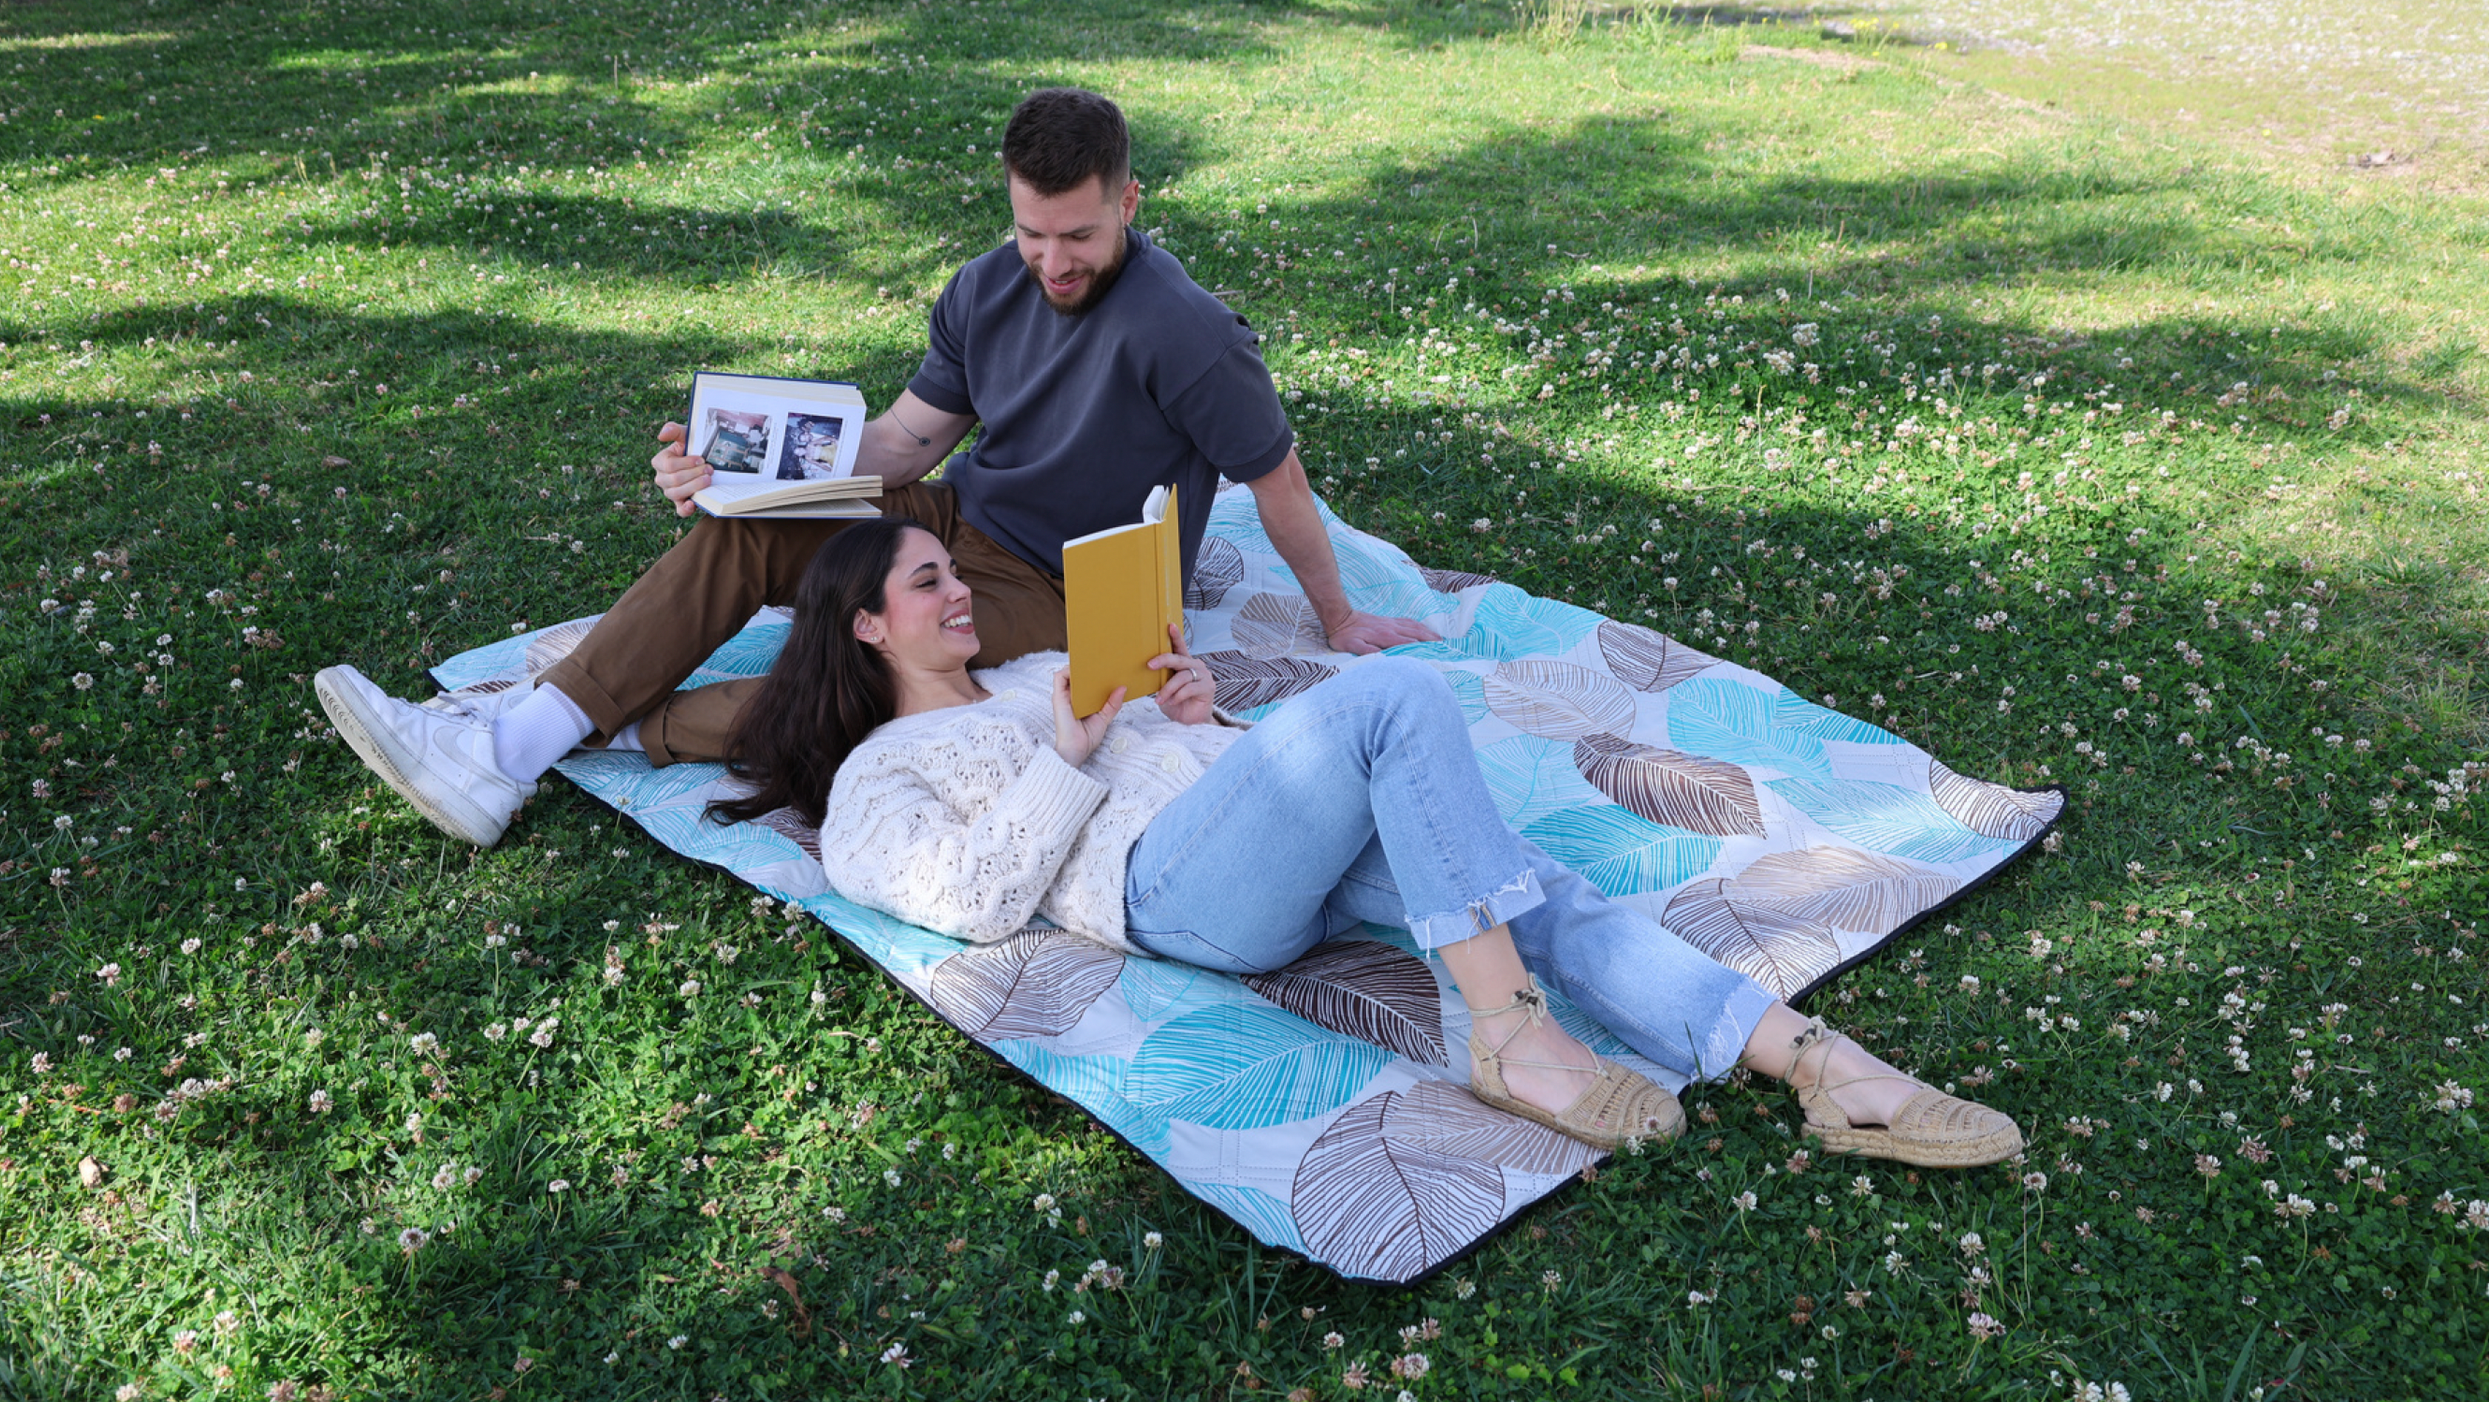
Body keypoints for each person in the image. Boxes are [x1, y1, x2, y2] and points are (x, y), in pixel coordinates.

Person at [313, 86, 1438, 849]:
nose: (1051, 261)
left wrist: (1337, 618)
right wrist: (743, 472)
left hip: (1057, 581)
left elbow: (1278, 480)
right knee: (742, 529)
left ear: (1129, 204)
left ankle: (546, 731)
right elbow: (906, 441)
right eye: (1031, 233)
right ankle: (522, 742)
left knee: (877, 677)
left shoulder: (1190, 332)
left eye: (1078, 238)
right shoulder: (981, 287)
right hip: (954, 516)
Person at [717, 515, 2026, 1164]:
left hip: (1248, 826)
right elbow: (975, 894)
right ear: (866, 628)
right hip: (1171, 890)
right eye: (925, 581)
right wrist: (1070, 747)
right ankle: (1513, 1040)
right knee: (1391, 696)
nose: (958, 592)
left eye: (955, 570)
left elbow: (1181, 752)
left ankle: (1809, 1059)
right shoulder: (878, 779)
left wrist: (1186, 710)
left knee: (1524, 883)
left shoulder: (1043, 666)